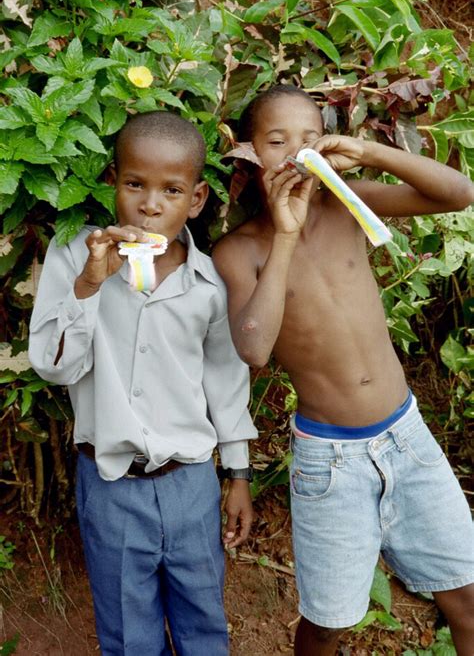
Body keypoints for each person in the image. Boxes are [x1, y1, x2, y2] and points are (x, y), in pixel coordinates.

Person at [212, 85, 474, 656]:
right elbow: (254, 349)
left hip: (408, 438)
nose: (296, 152)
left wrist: (371, 152)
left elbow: (459, 194)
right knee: (329, 624)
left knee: (467, 596)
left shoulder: (348, 203)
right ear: (251, 154)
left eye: (310, 138)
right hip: (331, 461)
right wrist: (284, 232)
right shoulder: (241, 250)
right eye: (277, 141)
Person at [28, 111, 258, 656]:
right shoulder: (74, 258)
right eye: (135, 184)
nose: (150, 204)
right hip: (110, 485)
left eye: (171, 190)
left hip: (192, 486)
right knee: (130, 637)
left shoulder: (208, 285)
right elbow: (52, 366)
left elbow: (224, 381)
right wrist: (89, 283)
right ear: (113, 181)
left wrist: (240, 474)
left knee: (204, 625)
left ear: (196, 199)